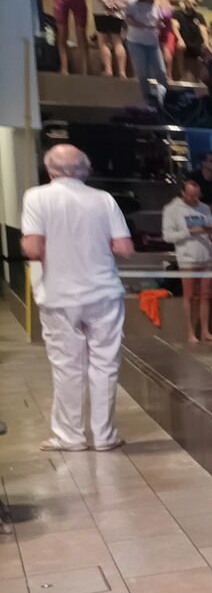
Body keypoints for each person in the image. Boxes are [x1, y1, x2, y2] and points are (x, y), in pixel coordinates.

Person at [21, 146, 133, 451]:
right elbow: (124, 248)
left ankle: (70, 436)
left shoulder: (36, 197)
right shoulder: (104, 199)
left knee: (67, 367)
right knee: (105, 366)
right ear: (86, 170)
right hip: (104, 293)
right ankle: (104, 436)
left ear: (50, 170)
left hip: (60, 295)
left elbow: (33, 249)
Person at [161, 178, 212, 343]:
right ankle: (191, 332)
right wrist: (190, 232)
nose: (195, 199)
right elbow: (167, 236)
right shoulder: (172, 209)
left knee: (205, 295)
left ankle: (205, 331)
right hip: (187, 257)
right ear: (183, 193)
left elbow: (211, 230)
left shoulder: (204, 208)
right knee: (190, 295)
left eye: (198, 195)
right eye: (192, 196)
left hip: (206, 255)